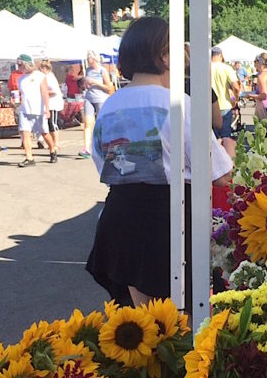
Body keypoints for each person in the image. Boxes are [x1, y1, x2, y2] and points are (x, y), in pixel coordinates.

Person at [85, 16, 233, 310]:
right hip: (168, 222)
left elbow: (102, 163)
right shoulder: (179, 103)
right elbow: (219, 175)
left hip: (119, 218)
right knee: (180, 321)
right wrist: (229, 149)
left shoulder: (111, 104)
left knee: (139, 320)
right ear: (164, 56)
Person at [15, 54, 54, 168]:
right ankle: (29, 158)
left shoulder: (39, 76)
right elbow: (21, 94)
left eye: (20, 64)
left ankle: (52, 149)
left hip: (38, 109)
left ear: (27, 64)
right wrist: (15, 101)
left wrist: (47, 109)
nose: (19, 67)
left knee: (44, 133)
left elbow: (44, 93)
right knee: (25, 133)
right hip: (25, 110)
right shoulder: (21, 79)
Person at [79, 51, 114, 159]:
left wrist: (95, 82)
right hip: (89, 98)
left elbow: (109, 88)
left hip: (100, 99)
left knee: (101, 124)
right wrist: (85, 84)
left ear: (94, 59)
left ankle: (106, 147)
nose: (87, 59)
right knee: (87, 123)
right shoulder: (88, 70)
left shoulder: (102, 70)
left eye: (89, 58)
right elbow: (85, 84)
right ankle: (86, 149)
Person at [210, 47, 240, 138]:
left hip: (210, 105)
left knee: (212, 138)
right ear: (220, 55)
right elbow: (236, 87)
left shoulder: (205, 67)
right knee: (226, 138)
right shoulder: (227, 68)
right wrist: (235, 100)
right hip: (225, 104)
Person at [39, 60, 63, 163]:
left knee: (53, 123)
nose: (40, 70)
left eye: (41, 68)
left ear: (45, 68)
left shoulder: (50, 77)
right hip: (47, 104)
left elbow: (54, 91)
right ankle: (53, 142)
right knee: (49, 124)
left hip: (53, 103)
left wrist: (44, 92)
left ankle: (56, 142)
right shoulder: (45, 77)